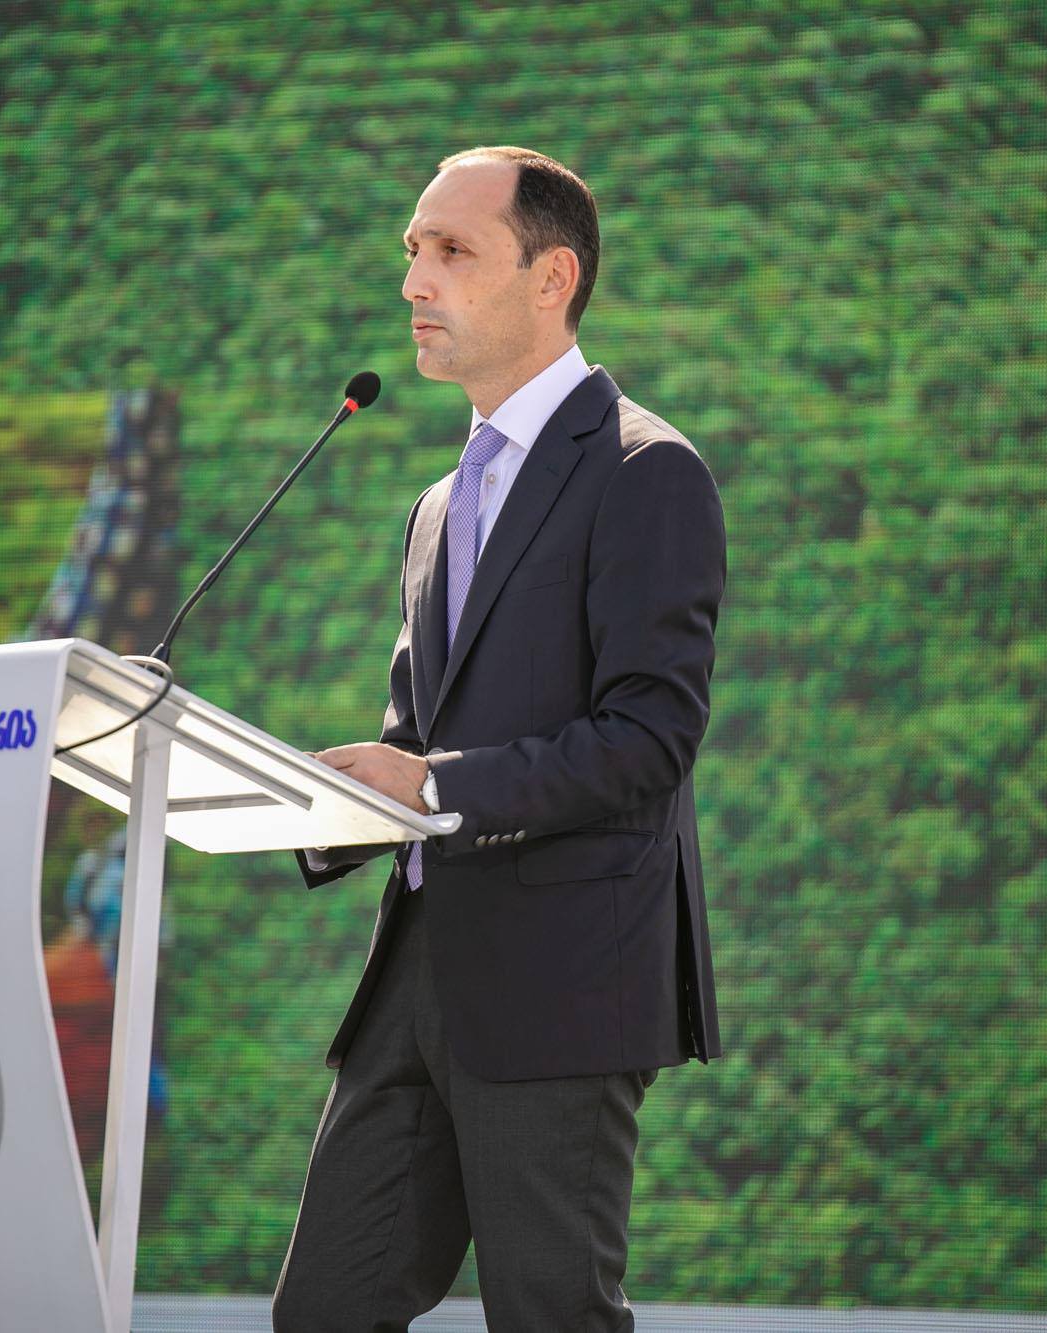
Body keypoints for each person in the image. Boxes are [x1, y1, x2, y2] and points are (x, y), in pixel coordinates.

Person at [273, 147, 726, 1331]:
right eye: (410, 251)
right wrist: (313, 802)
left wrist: (432, 784)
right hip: (414, 977)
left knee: (548, 1316)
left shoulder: (645, 471)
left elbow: (648, 740)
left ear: (550, 278)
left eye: (451, 251)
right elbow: (413, 738)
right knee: (321, 1313)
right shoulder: (438, 505)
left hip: (559, 980)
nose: (413, 280)